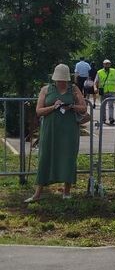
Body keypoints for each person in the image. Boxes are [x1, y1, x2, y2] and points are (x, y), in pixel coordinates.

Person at [26, 63, 87, 202]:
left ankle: (66, 192)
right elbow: (39, 111)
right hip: (50, 129)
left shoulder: (74, 89)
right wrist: (54, 107)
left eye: (63, 80)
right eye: (59, 80)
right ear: (54, 79)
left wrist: (71, 106)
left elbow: (83, 108)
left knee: (68, 158)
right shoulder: (46, 90)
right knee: (45, 157)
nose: (61, 82)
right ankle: (37, 193)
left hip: (69, 130)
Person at [95, 58, 115, 125]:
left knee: (111, 105)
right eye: (106, 64)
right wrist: (95, 88)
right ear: (103, 64)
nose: (107, 65)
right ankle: (103, 119)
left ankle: (111, 119)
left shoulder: (113, 71)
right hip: (103, 91)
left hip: (112, 91)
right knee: (103, 106)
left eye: (108, 64)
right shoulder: (99, 72)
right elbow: (96, 82)